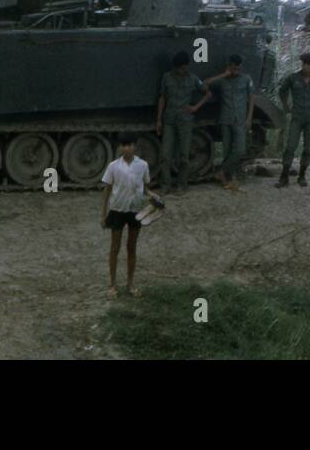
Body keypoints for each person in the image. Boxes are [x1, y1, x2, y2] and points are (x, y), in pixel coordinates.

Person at [100, 132, 163, 298]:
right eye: (123, 145)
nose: (126, 148)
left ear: (135, 146)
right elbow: (107, 190)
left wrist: (153, 196)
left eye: (129, 145)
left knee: (131, 248)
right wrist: (103, 215)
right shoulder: (113, 166)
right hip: (117, 210)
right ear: (120, 147)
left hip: (136, 211)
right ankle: (113, 285)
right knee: (114, 248)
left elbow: (144, 188)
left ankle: (130, 284)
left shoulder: (142, 165)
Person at [155, 51, 208, 193]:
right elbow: (162, 98)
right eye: (181, 68)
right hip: (169, 120)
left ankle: (181, 184)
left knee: (184, 156)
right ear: (175, 67)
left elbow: (207, 93)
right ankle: (165, 185)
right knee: (165, 155)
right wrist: (159, 120)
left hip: (185, 121)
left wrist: (195, 107)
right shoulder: (167, 78)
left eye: (185, 67)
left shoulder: (193, 79)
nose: (184, 70)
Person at [275, 52, 310, 188]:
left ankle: (302, 175)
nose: (305, 67)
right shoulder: (293, 78)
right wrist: (286, 106)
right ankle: (284, 176)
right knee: (291, 146)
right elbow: (282, 91)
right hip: (297, 117)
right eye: (304, 64)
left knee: (308, 148)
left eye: (309, 65)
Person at [204, 54, 254, 191]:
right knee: (226, 150)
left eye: (238, 68)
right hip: (225, 119)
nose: (236, 71)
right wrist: (223, 75)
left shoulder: (246, 79)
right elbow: (205, 83)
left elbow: (251, 98)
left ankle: (221, 171)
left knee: (240, 149)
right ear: (229, 66)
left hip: (240, 119)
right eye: (233, 68)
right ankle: (229, 178)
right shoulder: (222, 81)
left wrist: (249, 117)